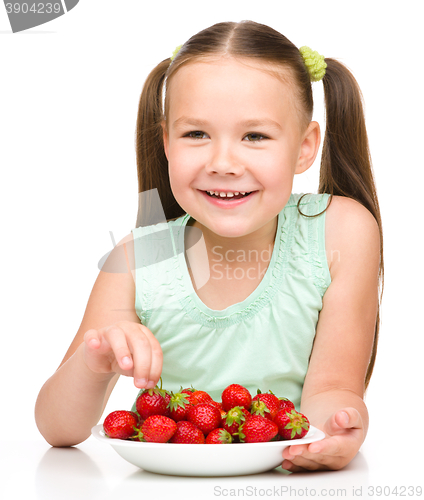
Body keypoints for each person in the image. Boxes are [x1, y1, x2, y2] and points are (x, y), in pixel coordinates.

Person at [35, 20, 383, 472]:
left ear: (304, 147)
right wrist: (94, 360)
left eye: (255, 136)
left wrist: (337, 428)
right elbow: (56, 428)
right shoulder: (137, 258)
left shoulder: (339, 230)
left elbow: (333, 387)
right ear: (165, 142)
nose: (223, 163)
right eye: (196, 134)